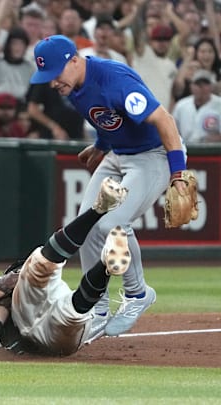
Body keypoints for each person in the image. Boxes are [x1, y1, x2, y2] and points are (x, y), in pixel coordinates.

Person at [29, 35, 190, 339]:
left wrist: (178, 172)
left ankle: (138, 293)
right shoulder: (73, 85)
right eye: (46, 77)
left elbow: (164, 120)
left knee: (114, 223)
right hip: (118, 154)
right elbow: (108, 118)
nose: (52, 83)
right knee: (86, 226)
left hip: (152, 156)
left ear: (74, 60)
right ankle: (97, 307)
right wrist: (101, 145)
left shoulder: (113, 79)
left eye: (55, 74)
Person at [0, 177, 131, 356]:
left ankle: (104, 255)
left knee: (69, 308)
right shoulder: (23, 287)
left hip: (46, 332)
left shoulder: (30, 286)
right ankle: (103, 256)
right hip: (37, 320)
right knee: (66, 303)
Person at [172, 69, 221, 143]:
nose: (201, 87)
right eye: (197, 84)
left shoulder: (219, 104)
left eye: (205, 84)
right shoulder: (181, 105)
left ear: (212, 87)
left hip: (213, 151)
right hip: (186, 149)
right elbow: (172, 131)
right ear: (191, 86)